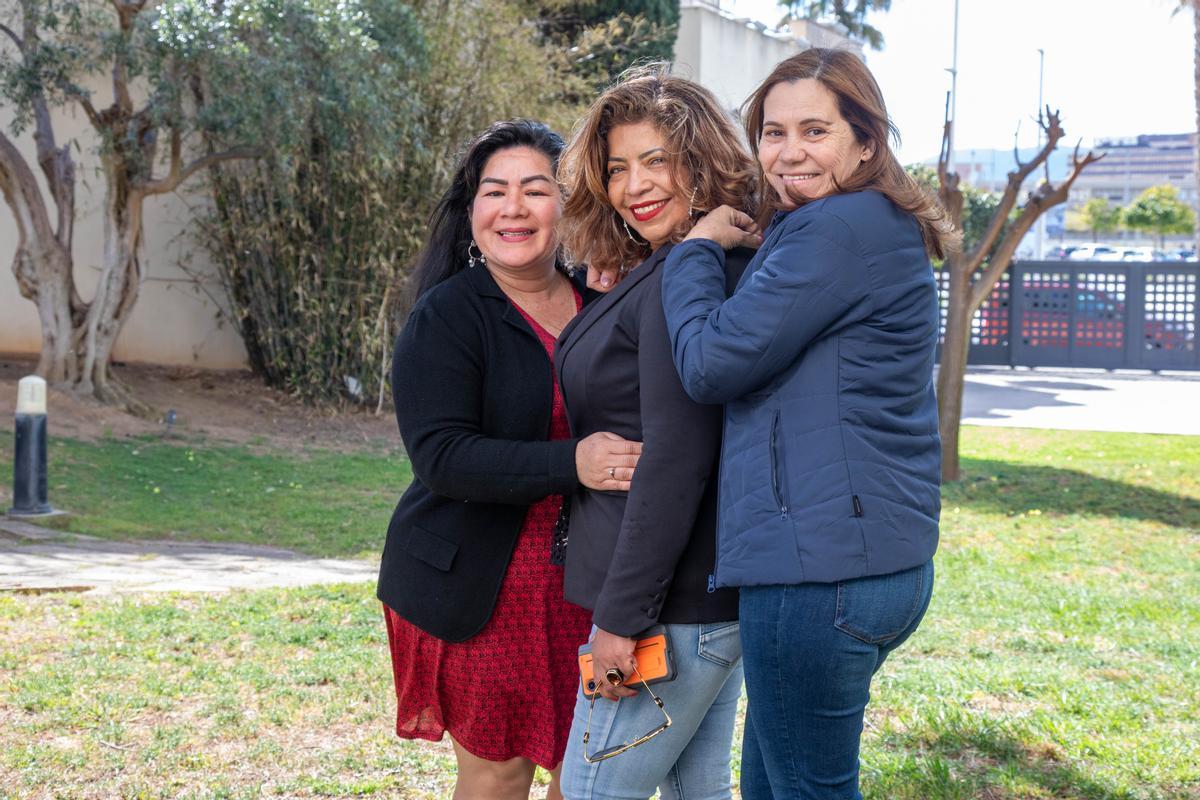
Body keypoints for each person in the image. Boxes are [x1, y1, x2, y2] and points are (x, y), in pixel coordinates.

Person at [657, 49, 959, 800]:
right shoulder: (861, 225)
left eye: (815, 131)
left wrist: (693, 255)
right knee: (776, 786)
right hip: (866, 563)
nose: (788, 153)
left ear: (866, 141)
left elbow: (710, 364)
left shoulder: (839, 229)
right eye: (772, 132)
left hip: (818, 575)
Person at [378, 119, 643, 800]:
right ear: (472, 214)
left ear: (572, 205)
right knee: (499, 769)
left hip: (592, 585)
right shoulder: (447, 317)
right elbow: (441, 456)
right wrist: (572, 464)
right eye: (495, 192)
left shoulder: (605, 307)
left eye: (537, 189)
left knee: (592, 763)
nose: (514, 208)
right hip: (480, 585)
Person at [552, 68, 758, 800]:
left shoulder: (688, 275)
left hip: (666, 617)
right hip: (700, 607)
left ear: (698, 160)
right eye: (617, 168)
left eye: (655, 160)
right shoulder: (681, 266)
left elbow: (676, 457)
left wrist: (619, 621)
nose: (634, 184)